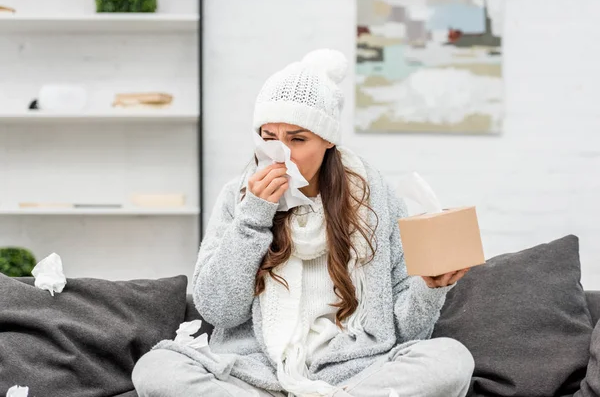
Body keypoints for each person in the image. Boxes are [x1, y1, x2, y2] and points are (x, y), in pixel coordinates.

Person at [132, 49, 475, 397]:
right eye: (268, 137)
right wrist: (254, 215)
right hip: (256, 373)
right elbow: (218, 309)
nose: (280, 153)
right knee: (156, 369)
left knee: (451, 358)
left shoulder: (376, 198)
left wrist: (429, 289)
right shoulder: (236, 198)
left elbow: (403, 331)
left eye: (297, 139)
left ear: (328, 140)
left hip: (353, 373)